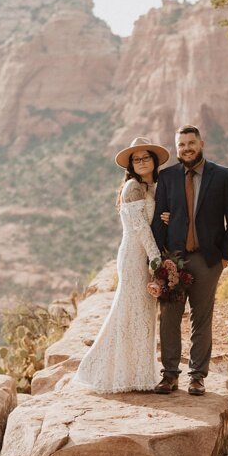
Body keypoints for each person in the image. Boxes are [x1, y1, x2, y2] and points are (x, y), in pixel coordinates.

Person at [151, 125, 228, 396]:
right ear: (176, 148)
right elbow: (159, 220)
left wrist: (226, 257)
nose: (186, 149)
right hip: (173, 261)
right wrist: (158, 261)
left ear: (201, 144)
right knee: (169, 318)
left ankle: (197, 376)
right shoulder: (166, 177)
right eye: (181, 145)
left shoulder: (223, 176)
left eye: (191, 143)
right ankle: (169, 376)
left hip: (207, 260)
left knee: (201, 319)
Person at [73, 137, 168, 394]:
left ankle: (138, 372)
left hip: (148, 253)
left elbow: (158, 219)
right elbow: (139, 227)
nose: (141, 162)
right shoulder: (132, 188)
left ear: (154, 160)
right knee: (131, 311)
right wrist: (156, 260)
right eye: (136, 159)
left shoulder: (157, 186)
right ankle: (112, 371)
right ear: (131, 165)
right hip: (135, 255)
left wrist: (167, 218)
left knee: (145, 314)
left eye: (145, 157)